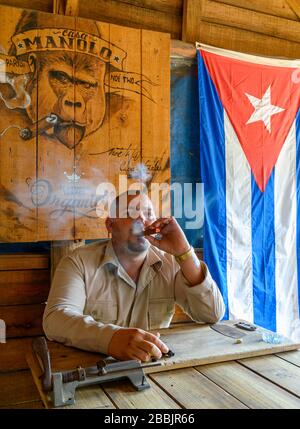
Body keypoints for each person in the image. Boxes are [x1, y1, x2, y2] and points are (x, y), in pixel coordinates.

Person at [43, 191, 225, 362]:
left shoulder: (171, 263)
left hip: (157, 367)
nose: (142, 219)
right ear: (110, 225)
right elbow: (55, 320)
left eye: (148, 213)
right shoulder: (78, 263)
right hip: (95, 372)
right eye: (131, 212)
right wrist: (111, 339)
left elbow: (212, 314)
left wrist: (184, 253)